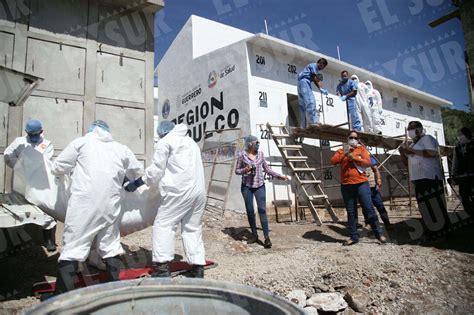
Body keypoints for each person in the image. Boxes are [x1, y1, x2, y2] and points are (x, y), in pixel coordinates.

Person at [51, 120, 143, 294]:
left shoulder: (81, 142)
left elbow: (59, 167)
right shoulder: (121, 148)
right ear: (108, 132)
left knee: (74, 247)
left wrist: (60, 174)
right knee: (110, 245)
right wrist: (130, 182)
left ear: (91, 130)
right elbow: (137, 171)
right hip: (110, 205)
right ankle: (114, 292)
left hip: (84, 205)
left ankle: (61, 297)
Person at [125, 121, 207, 278]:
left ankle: (162, 269)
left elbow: (155, 171)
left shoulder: (165, 142)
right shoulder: (191, 142)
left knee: (164, 225)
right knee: (192, 227)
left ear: (162, 133)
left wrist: (137, 183)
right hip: (199, 192)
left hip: (179, 192)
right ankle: (198, 268)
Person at [4, 119, 57, 252]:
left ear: (41, 132)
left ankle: (49, 240)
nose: (33, 137)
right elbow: (7, 155)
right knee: (19, 208)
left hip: (39, 183)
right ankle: (17, 240)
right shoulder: (19, 142)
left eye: (36, 134)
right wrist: (19, 164)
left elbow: (45, 162)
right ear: (26, 132)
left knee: (46, 210)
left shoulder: (47, 144)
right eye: (30, 134)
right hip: (21, 182)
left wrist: (30, 165)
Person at [330, 130, 386, 246]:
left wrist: (354, 158)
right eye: (351, 137)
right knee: (351, 212)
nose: (353, 139)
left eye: (355, 138)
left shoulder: (362, 150)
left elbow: (367, 163)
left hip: (361, 183)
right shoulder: (341, 151)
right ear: (347, 138)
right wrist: (345, 154)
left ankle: (379, 233)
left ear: (358, 139)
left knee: (369, 209)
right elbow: (333, 161)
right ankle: (353, 236)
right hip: (346, 185)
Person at [235, 135, 289, 248]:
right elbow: (237, 171)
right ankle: (254, 235)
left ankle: (266, 237)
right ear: (250, 144)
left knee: (262, 210)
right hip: (247, 187)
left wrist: (280, 176)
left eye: (258, 142)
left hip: (259, 185)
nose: (258, 144)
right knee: (250, 211)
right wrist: (245, 169)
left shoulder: (261, 154)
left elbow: (267, 169)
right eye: (256, 142)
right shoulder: (242, 155)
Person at [399, 121, 450, 240]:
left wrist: (412, 152)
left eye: (412, 128)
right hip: (418, 179)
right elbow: (406, 163)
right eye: (409, 129)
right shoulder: (412, 145)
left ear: (419, 129)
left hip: (430, 177)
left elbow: (432, 152)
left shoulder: (427, 138)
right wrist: (402, 153)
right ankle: (431, 230)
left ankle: (444, 231)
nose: (410, 131)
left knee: (436, 205)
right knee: (424, 206)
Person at [297, 58, 328, 128]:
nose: (322, 68)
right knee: (311, 102)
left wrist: (321, 87)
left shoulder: (312, 67)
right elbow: (314, 78)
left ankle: (303, 125)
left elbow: (316, 79)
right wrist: (320, 88)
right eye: (323, 67)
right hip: (305, 83)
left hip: (300, 84)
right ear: (321, 64)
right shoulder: (314, 66)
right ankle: (313, 121)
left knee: (303, 106)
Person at [451, 127, 474, 216]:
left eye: (461, 134)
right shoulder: (457, 148)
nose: (459, 137)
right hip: (463, 176)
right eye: (458, 135)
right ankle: (470, 214)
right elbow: (455, 162)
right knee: (464, 195)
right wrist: (453, 174)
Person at [364, 156, 391, 227]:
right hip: (363, 188)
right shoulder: (355, 159)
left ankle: (387, 223)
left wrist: (378, 179)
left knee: (380, 205)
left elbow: (376, 169)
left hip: (372, 186)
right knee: (366, 207)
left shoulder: (370, 158)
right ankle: (368, 223)